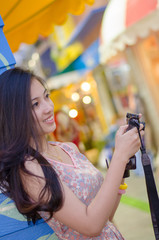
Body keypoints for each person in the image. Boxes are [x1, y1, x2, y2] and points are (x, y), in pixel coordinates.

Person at [0, 67, 144, 240]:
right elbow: (91, 226)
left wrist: (123, 164)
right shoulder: (29, 169)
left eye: (46, 96)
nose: (48, 107)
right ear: (15, 114)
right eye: (35, 104)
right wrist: (119, 156)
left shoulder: (68, 149)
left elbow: (106, 218)